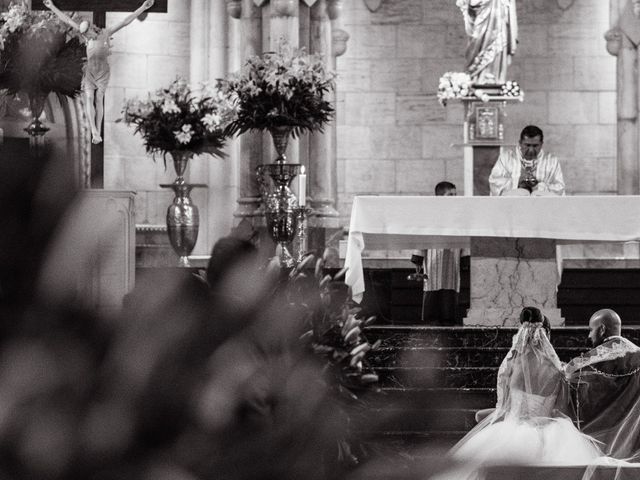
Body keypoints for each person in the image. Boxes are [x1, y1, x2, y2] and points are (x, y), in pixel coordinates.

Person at [433, 307, 605, 480]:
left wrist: (487, 419)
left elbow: (504, 409)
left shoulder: (511, 366)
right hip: (549, 432)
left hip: (511, 429)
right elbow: (562, 410)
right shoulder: (559, 370)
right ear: (547, 336)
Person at [44, 0, 155, 144]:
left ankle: (98, 128)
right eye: (84, 34)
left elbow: (125, 21)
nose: (86, 35)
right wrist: (52, 6)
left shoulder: (106, 33)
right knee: (89, 98)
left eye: (87, 32)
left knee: (99, 98)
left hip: (102, 71)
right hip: (90, 71)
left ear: (91, 28)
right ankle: (94, 131)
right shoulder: (86, 36)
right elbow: (67, 20)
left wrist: (142, 8)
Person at [565, 309, 640, 461]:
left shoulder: (596, 357)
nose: (589, 335)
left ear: (602, 329)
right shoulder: (637, 352)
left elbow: (570, 372)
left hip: (602, 440)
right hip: (633, 438)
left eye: (591, 330)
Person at [410, 181, 462, 325]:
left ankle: (449, 321)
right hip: (433, 260)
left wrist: (465, 257)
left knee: (450, 290)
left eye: (455, 194)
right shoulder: (430, 215)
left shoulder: (458, 215)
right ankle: (431, 323)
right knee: (432, 288)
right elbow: (422, 236)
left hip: (453, 261)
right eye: (450, 194)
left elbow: (465, 236)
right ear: (439, 196)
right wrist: (418, 257)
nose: (454, 197)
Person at [488, 125, 565, 196]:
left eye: (535, 146)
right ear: (520, 143)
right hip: (512, 206)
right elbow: (494, 182)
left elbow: (560, 188)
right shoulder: (506, 157)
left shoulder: (551, 161)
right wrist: (517, 180)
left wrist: (539, 186)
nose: (531, 150)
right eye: (527, 145)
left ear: (541, 144)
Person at [456, 0, 518, 84]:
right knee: (477, 39)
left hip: (499, 12)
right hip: (482, 10)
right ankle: (476, 76)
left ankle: (494, 77)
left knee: (498, 40)